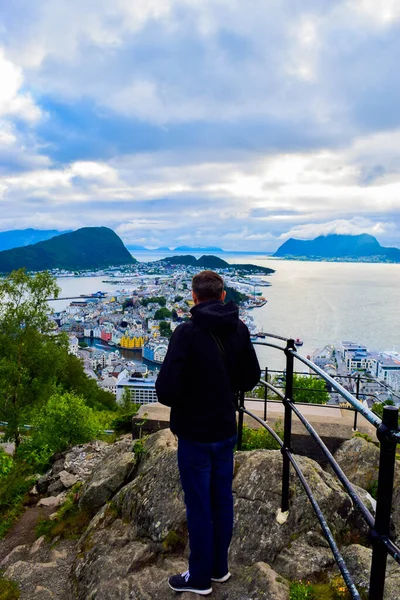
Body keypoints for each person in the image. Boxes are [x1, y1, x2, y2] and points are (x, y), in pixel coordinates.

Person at [156, 270, 261, 596]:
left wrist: (191, 395)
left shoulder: (185, 334)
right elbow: (251, 377)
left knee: (199, 505)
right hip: (225, 429)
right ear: (223, 296)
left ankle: (199, 578)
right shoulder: (240, 329)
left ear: (194, 297)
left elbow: (166, 391)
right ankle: (219, 568)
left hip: (194, 434)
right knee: (222, 500)